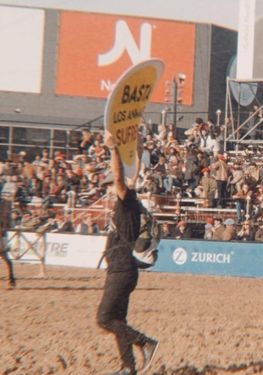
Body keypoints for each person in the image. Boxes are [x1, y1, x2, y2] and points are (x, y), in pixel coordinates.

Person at [97, 132, 158, 375]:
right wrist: (139, 149)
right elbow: (131, 176)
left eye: (110, 185)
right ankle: (128, 367)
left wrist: (113, 149)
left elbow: (123, 179)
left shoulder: (126, 201)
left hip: (121, 268)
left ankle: (145, 342)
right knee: (118, 321)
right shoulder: (130, 203)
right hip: (124, 268)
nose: (110, 188)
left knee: (104, 318)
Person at [0, 195, 16, 288]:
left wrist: (3, 230)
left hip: (1, 233)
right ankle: (11, 279)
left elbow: (6, 220)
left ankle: (11, 279)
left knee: (5, 257)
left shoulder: (5, 203)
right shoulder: (5, 203)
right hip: (2, 233)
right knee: (6, 257)